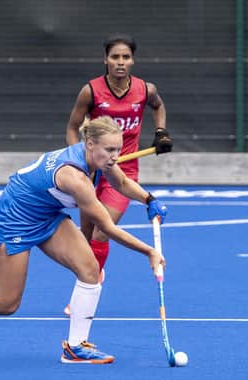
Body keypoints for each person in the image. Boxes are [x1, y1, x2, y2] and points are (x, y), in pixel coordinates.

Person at [0, 116, 167, 364]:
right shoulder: (75, 177)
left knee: (90, 269)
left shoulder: (99, 160)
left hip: (46, 215)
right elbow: (107, 227)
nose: (115, 156)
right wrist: (149, 252)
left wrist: (149, 200)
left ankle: (76, 347)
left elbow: (121, 181)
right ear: (90, 144)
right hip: (15, 220)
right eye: (110, 149)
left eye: (118, 149)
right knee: (5, 304)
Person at [62, 33, 173, 315]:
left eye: (126, 57)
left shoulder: (145, 90)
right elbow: (73, 127)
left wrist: (160, 132)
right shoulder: (91, 90)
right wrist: (78, 158)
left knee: (102, 230)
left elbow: (158, 106)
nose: (120, 62)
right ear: (106, 60)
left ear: (132, 60)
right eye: (115, 57)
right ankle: (89, 280)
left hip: (124, 171)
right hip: (92, 171)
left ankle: (88, 291)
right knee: (86, 236)